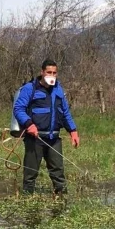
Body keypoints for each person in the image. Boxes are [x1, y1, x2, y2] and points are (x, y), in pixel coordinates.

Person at [13, 59, 79, 195]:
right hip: (35, 139)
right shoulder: (30, 89)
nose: (52, 75)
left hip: (54, 139)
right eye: (49, 72)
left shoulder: (59, 90)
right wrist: (29, 124)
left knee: (58, 173)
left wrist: (73, 131)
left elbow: (65, 112)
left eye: (54, 73)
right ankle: (27, 201)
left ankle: (61, 200)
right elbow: (18, 109)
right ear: (42, 72)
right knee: (30, 174)